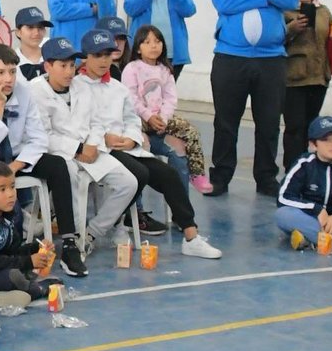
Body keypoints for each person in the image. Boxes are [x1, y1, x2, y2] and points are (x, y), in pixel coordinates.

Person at [73, 29, 221, 258]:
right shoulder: (76, 87)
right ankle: (104, 227)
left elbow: (131, 119)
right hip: (100, 150)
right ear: (86, 57)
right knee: (139, 174)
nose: (104, 61)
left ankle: (191, 236)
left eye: (108, 55)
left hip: (125, 146)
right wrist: (104, 138)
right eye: (98, 55)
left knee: (168, 175)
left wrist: (131, 138)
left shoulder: (117, 87)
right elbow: (77, 124)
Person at [0, 44, 85, 277]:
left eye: (12, 71)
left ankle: (70, 242)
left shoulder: (24, 91)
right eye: (1, 72)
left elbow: (39, 138)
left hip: (15, 158)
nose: (8, 78)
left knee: (58, 166)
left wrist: (15, 166)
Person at [30, 35, 137, 269]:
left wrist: (92, 144)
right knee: (71, 179)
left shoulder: (80, 85)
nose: (69, 71)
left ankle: (91, 233)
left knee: (128, 182)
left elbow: (97, 122)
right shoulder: (35, 92)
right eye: (63, 66)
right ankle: (74, 242)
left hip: (90, 150)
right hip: (61, 155)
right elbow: (42, 136)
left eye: (71, 65)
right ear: (47, 66)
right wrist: (77, 148)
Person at [208, 0, 299, 197]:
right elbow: (223, 3)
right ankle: (221, 176)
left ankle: (267, 178)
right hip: (230, 58)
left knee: (270, 121)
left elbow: (291, 0)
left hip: (271, 60)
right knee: (225, 121)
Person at [123, 25, 208, 191]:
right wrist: (148, 116)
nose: (153, 45)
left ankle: (197, 174)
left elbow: (170, 98)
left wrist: (163, 118)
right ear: (138, 48)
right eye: (147, 42)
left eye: (157, 41)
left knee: (191, 132)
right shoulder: (132, 68)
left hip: (161, 119)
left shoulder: (165, 70)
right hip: (140, 119)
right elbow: (130, 98)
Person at [0, 159, 55, 308]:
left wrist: (35, 248)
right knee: (14, 276)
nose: (11, 194)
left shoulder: (9, 213)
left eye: (12, 187)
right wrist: (28, 261)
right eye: (2, 189)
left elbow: (10, 251)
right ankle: (37, 290)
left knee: (16, 274)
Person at [281, 0, 332, 170]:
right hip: (293, 78)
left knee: (311, 128)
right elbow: (274, 40)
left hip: (318, 78)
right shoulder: (284, 11)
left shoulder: (324, 12)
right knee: (295, 128)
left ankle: (308, 170)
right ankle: (292, 169)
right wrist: (292, 29)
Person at [276, 116, 332, 252]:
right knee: (282, 215)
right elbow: (283, 197)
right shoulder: (304, 164)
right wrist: (316, 209)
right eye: (325, 140)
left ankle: (313, 239)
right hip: (313, 220)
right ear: (313, 145)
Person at [11, 7, 50, 79]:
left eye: (40, 27)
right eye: (30, 27)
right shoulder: (10, 62)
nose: (36, 33)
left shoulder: (53, 57)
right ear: (18, 32)